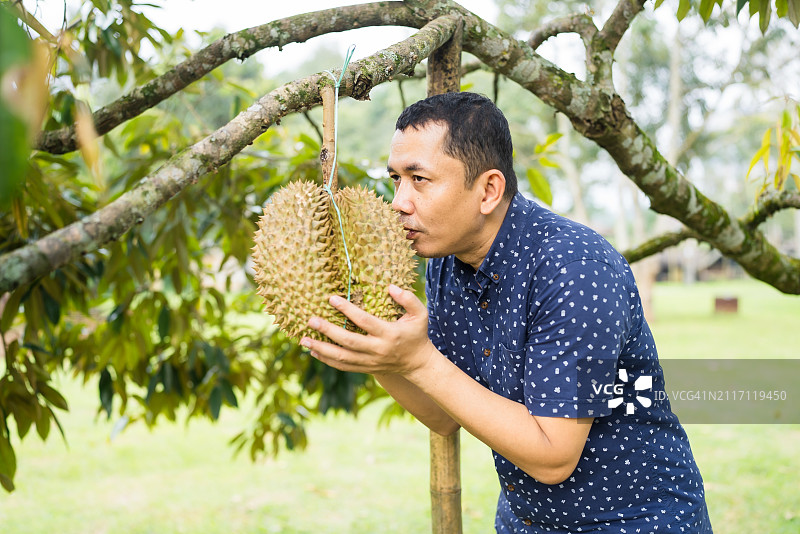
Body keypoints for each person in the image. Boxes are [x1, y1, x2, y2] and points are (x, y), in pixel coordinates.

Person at [300, 92, 712, 533]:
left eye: (419, 179)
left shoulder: (574, 269)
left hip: (635, 521)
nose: (398, 201)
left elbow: (554, 456)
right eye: (396, 179)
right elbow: (444, 415)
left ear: (489, 190)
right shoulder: (446, 264)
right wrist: (379, 353)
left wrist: (418, 360)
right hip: (525, 522)